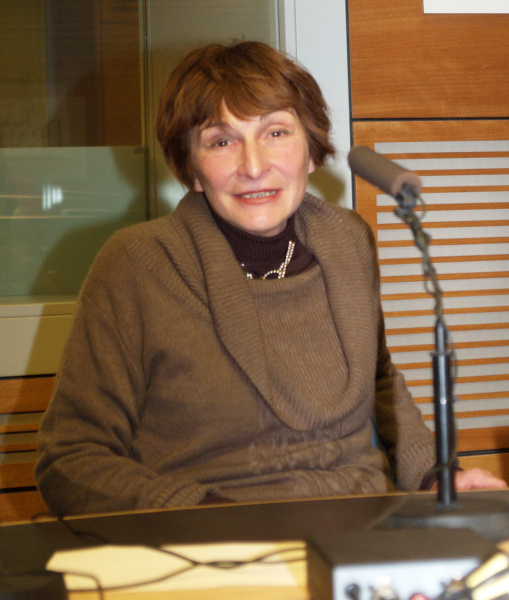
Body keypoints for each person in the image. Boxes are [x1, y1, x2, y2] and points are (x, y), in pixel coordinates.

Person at [36, 41, 506, 516]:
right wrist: (210, 519)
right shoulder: (139, 265)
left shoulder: (349, 241)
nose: (254, 166)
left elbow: (380, 381)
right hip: (217, 537)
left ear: (312, 152)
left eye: (276, 133)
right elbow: (71, 459)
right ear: (192, 168)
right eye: (222, 142)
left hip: (367, 525)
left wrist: (435, 475)